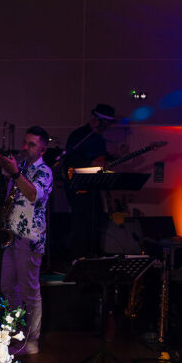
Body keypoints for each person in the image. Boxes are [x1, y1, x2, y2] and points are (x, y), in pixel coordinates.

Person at [0, 126, 53, 355]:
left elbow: (32, 195)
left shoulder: (45, 172)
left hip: (30, 238)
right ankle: (15, 335)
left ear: (42, 149)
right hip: (13, 236)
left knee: (30, 290)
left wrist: (15, 174)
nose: (25, 147)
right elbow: (15, 201)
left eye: (31, 144)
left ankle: (32, 342)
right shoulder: (22, 169)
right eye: (25, 142)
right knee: (8, 286)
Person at [63, 103, 116, 259]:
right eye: (105, 123)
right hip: (78, 186)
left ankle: (91, 257)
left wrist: (115, 156)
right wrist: (90, 163)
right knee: (82, 222)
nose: (106, 127)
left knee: (96, 220)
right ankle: (78, 258)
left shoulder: (98, 139)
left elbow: (101, 160)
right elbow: (70, 159)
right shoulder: (80, 135)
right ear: (97, 120)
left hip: (93, 186)